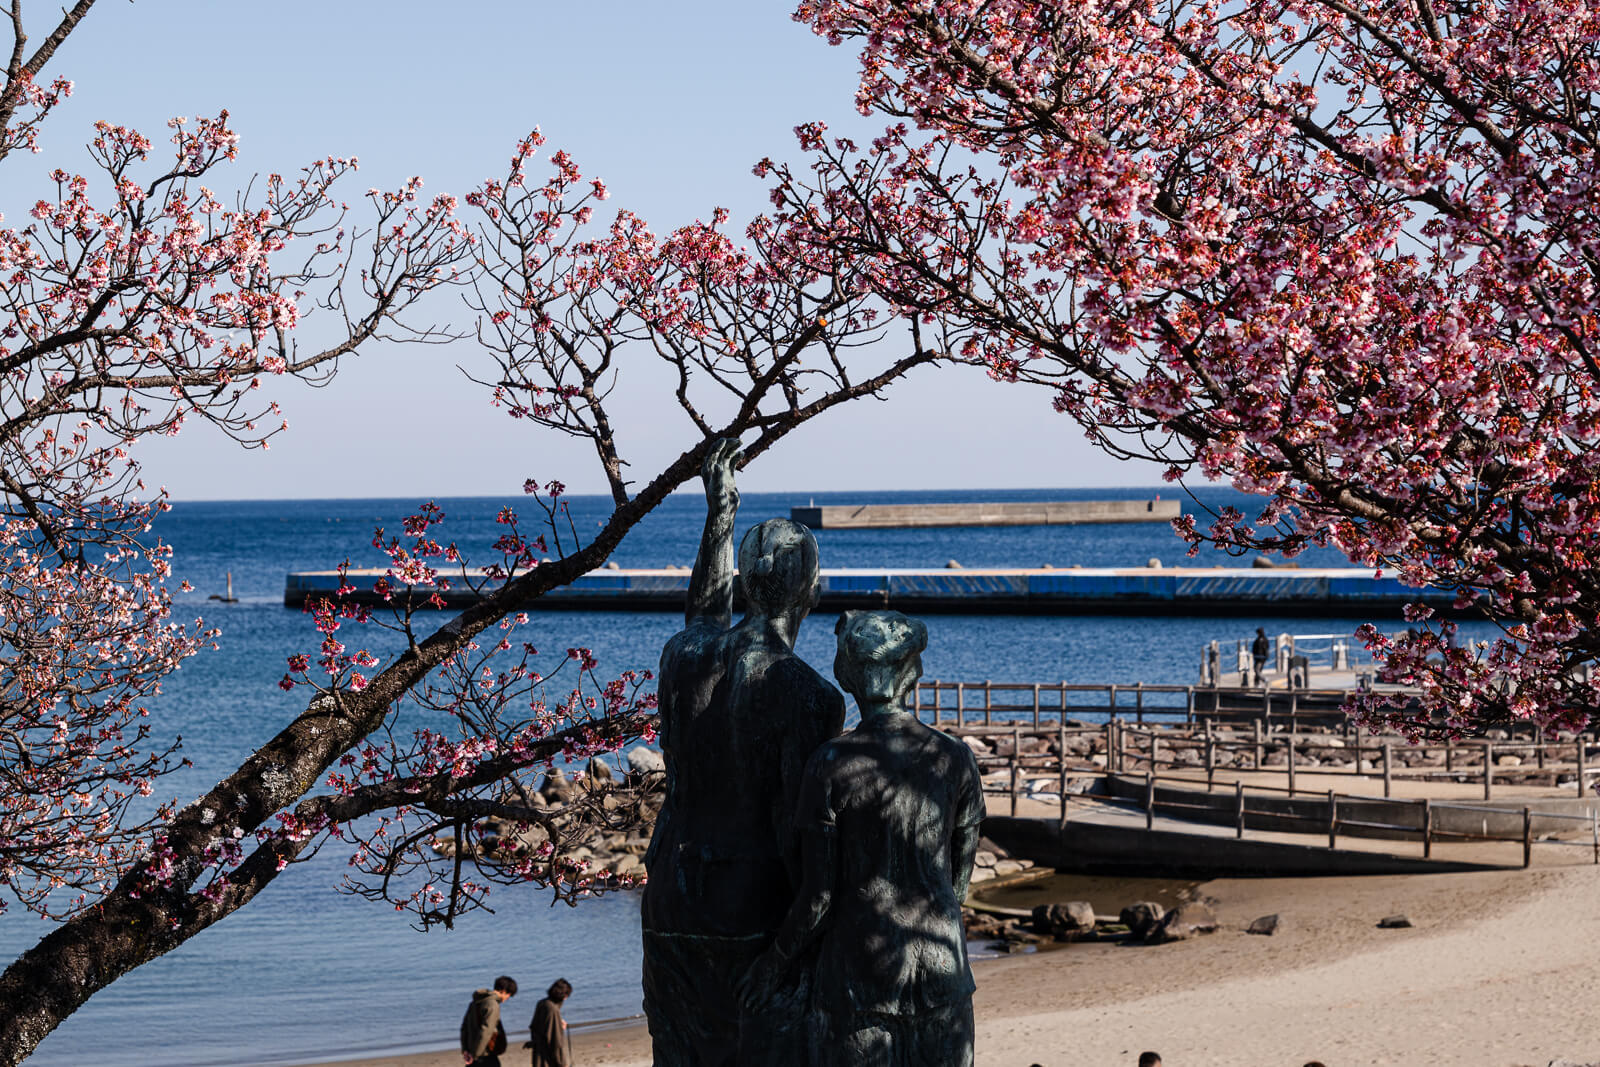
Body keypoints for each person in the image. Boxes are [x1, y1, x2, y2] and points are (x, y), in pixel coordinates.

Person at [640, 438, 847, 1066]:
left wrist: (720, 516)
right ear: (810, 591)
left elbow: (701, 613)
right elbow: (796, 831)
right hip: (750, 907)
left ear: (746, 586)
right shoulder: (809, 695)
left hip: (672, 896)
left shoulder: (683, 657)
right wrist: (803, 941)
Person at [741, 610, 984, 1067]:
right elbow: (960, 880)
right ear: (913, 673)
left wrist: (772, 963)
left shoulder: (831, 762)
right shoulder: (956, 757)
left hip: (859, 967)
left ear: (847, 675)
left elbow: (819, 896)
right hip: (942, 958)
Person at [461, 976, 517, 1067]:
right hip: (485, 1054)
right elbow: (486, 1030)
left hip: (471, 1051)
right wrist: (475, 1054)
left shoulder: (475, 1002)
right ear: (503, 991)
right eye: (509, 995)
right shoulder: (493, 1005)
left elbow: (464, 1027)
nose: (507, 998)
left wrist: (465, 1050)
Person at [527, 979, 572, 1067]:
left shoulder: (542, 1003)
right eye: (566, 995)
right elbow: (555, 1041)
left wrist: (558, 1024)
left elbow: (534, 1026)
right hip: (548, 1057)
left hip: (538, 1053)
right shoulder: (553, 1010)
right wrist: (563, 1063)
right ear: (563, 995)